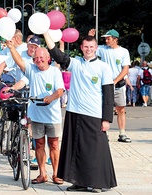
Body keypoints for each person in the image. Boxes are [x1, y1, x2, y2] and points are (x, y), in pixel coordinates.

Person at [43, 32, 117, 193]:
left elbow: (109, 95)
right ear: (81, 48)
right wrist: (44, 32)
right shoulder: (76, 63)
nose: (88, 49)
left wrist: (106, 119)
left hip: (94, 114)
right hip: (74, 112)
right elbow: (56, 53)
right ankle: (78, 181)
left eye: (91, 47)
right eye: (86, 47)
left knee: (94, 150)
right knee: (74, 148)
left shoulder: (104, 67)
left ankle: (96, 182)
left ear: (96, 48)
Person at [5, 39, 65, 185]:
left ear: (48, 58)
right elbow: (19, 62)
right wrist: (12, 48)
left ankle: (56, 174)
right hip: (36, 114)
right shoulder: (31, 70)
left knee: (54, 144)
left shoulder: (55, 71)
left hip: (52, 115)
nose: (38, 60)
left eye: (41, 57)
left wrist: (51, 98)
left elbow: (60, 90)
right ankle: (42, 173)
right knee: (38, 144)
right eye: (36, 58)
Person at [89, 29, 131, 143]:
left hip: (118, 85)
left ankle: (122, 133)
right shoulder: (102, 49)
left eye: (109, 38)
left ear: (115, 39)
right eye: (105, 38)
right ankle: (104, 132)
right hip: (104, 85)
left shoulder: (123, 52)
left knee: (121, 109)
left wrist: (115, 81)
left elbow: (125, 69)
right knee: (103, 109)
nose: (106, 40)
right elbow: (90, 49)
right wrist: (90, 37)